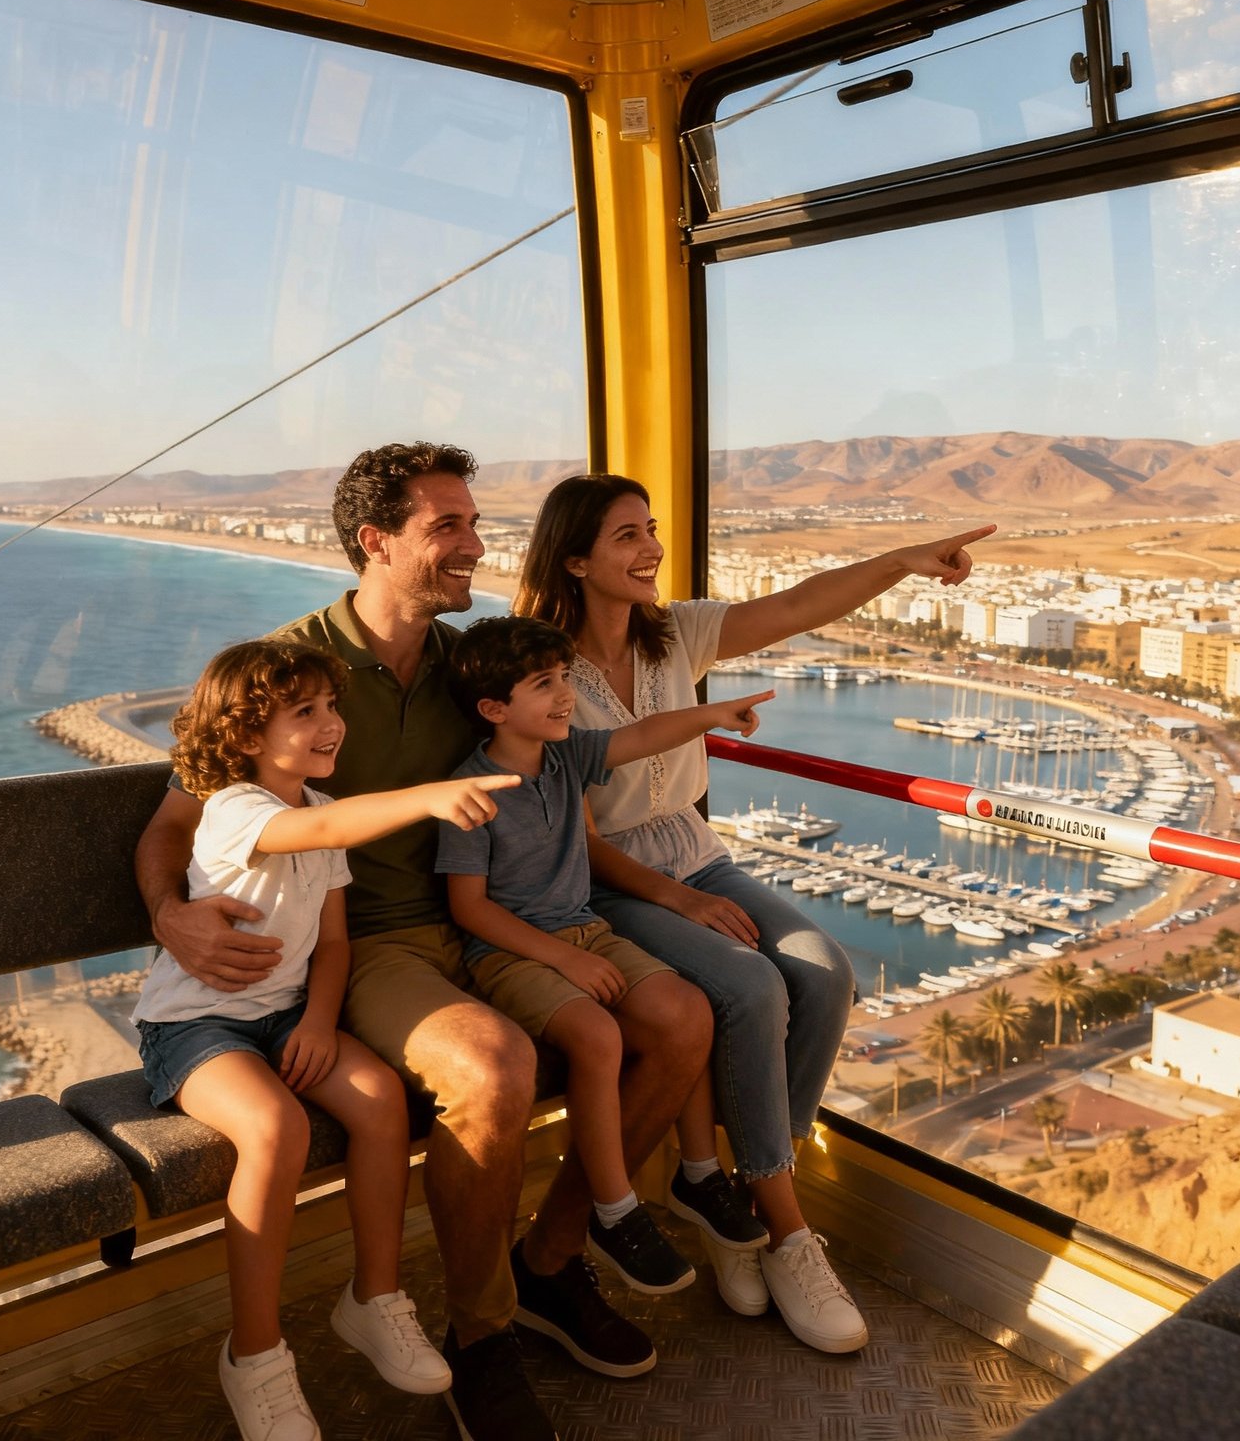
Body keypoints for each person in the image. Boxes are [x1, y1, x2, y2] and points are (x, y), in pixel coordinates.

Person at [136, 444, 713, 1441]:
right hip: (373, 941)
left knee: (679, 1019)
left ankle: (550, 1261)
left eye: (475, 523)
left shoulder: (470, 667)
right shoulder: (291, 674)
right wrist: (167, 914)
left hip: (498, 921)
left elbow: (570, 769)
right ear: (377, 540)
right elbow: (173, 826)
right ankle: (481, 1333)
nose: (477, 545)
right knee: (494, 1068)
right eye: (449, 526)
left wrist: (658, 888)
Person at [516, 473, 994, 1355]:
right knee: (749, 987)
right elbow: (578, 841)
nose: (653, 548)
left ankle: (735, 1191)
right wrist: (678, 898)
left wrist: (900, 562)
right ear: (574, 560)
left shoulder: (674, 635)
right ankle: (784, 1229)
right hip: (611, 880)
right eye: (628, 536)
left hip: (696, 851)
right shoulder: (542, 670)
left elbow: (800, 605)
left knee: (824, 971)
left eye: (651, 528)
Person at [135, 638, 520, 1441]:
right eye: (304, 712)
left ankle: (374, 1297)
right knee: (277, 1127)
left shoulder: (317, 809)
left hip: (287, 1016)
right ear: (247, 737)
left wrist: (317, 1020)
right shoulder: (238, 809)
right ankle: (255, 1354)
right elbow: (328, 824)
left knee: (380, 1101)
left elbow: (335, 944)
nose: (331, 723)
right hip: (197, 1024)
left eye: (332, 706)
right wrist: (426, 797)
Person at [437, 616, 772, 1310]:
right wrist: (563, 956)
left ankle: (700, 1172)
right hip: (514, 952)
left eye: (565, 678)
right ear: (494, 709)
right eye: (544, 684)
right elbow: (471, 910)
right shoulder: (469, 793)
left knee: (689, 1007)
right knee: (598, 1036)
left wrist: (713, 714)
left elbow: (643, 736)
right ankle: (615, 1210)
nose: (565, 695)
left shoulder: (566, 756)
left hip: (585, 931)